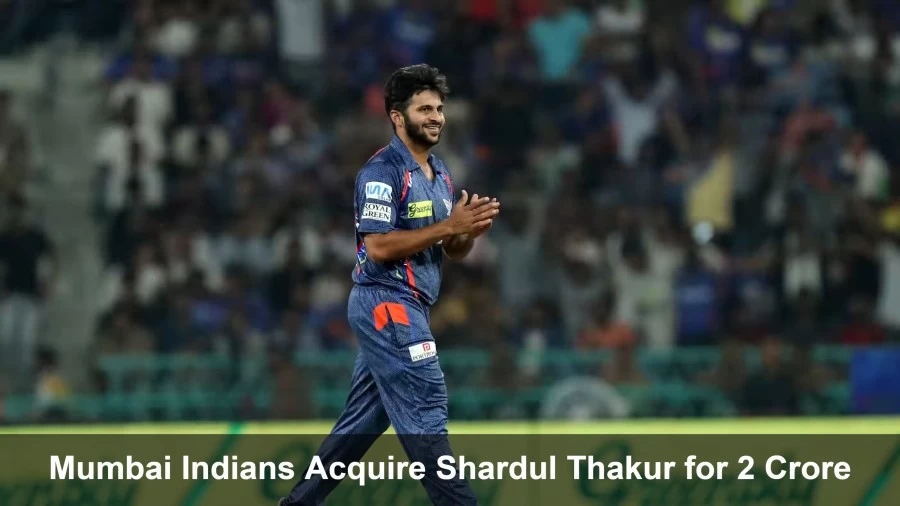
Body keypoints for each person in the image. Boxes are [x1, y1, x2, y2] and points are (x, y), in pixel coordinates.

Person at [280, 64, 500, 506]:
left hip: (409, 305)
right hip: (387, 301)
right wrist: (448, 227)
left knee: (360, 424)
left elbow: (448, 250)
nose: (435, 117)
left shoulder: (440, 174)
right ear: (398, 117)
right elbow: (378, 246)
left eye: (439, 108)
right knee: (426, 406)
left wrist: (464, 234)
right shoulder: (382, 172)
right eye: (424, 109)